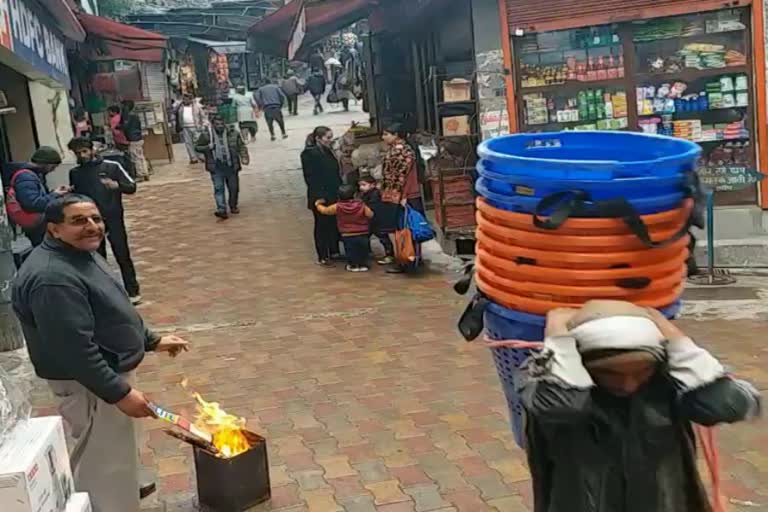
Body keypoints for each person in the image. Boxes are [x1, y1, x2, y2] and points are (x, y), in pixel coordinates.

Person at [12, 194, 190, 512]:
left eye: (95, 218)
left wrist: (151, 340)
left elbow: (112, 306)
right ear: (53, 229)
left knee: (118, 452)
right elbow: (74, 350)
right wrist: (117, 392)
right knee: (103, 463)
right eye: (78, 221)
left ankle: (125, 490)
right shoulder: (53, 279)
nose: (92, 226)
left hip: (108, 372)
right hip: (90, 384)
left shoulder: (80, 253)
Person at [519, 301, 762, 512]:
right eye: (610, 373)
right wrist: (559, 341)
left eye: (641, 371)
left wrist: (676, 340)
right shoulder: (545, 382)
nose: (628, 384)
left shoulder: (666, 385)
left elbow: (726, 405)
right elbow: (562, 406)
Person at [67, 137, 142, 304]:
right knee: (96, 258)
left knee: (122, 253)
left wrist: (117, 185)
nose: (82, 155)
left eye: (85, 151)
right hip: (89, 221)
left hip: (113, 217)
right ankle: (105, 294)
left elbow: (131, 186)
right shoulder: (75, 173)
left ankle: (133, 290)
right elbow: (75, 196)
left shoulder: (112, 166)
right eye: (78, 153)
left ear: (92, 149)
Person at [3, 147, 69, 246]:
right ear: (47, 163)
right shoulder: (26, 177)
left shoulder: (32, 174)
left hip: (37, 224)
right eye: (53, 166)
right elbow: (32, 204)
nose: (53, 170)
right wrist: (55, 194)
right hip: (37, 225)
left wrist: (54, 192)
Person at [195, 115, 249, 220]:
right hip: (216, 166)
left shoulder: (233, 133)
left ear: (224, 123)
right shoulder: (207, 135)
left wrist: (244, 157)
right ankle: (221, 209)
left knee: (234, 188)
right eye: (217, 124)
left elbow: (241, 146)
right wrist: (207, 148)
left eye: (221, 124)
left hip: (231, 165)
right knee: (218, 188)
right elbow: (197, 147)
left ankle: (233, 205)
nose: (219, 126)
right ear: (213, 125)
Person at [301, 126, 342, 265]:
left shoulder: (328, 151)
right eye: (327, 138)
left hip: (333, 192)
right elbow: (310, 177)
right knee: (322, 224)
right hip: (320, 194)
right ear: (318, 138)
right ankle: (323, 254)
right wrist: (318, 196)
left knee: (333, 222)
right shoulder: (309, 154)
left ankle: (333, 249)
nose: (330, 140)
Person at [315, 184, 374, 273]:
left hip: (347, 233)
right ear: (354, 195)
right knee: (362, 249)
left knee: (350, 250)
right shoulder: (361, 205)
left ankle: (353, 265)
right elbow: (370, 214)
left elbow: (325, 211)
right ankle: (363, 264)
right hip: (363, 232)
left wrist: (318, 204)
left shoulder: (337, 206)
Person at [358, 175, 395, 265]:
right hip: (373, 220)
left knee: (383, 238)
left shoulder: (374, 194)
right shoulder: (367, 194)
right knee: (370, 236)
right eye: (360, 185)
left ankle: (390, 255)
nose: (361, 187)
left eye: (364, 185)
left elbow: (372, 207)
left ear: (372, 185)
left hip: (378, 220)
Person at [119, 100, 150, 181]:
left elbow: (125, 126)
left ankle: (141, 175)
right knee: (140, 156)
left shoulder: (129, 116)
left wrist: (118, 127)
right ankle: (145, 173)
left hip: (133, 139)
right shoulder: (135, 115)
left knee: (136, 157)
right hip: (138, 137)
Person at [175, 94, 208, 164]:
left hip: (196, 127)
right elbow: (174, 112)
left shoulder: (197, 106)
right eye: (184, 99)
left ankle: (201, 156)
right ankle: (193, 158)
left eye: (187, 99)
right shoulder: (180, 107)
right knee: (188, 143)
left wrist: (204, 124)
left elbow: (203, 116)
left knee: (198, 142)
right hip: (185, 127)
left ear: (191, 99)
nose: (185, 100)